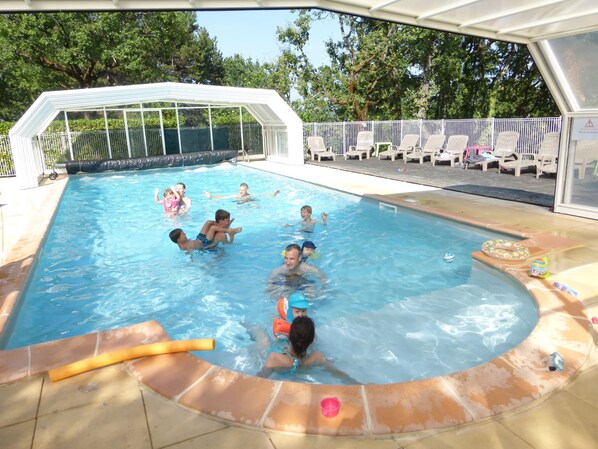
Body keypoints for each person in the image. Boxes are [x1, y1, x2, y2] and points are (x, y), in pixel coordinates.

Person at [250, 316, 358, 383]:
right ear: (311, 341)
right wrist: (355, 383)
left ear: (289, 337)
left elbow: (259, 378)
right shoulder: (317, 357)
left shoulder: (274, 358)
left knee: (259, 331)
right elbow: (337, 373)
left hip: (275, 352)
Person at [203, 182, 280, 202]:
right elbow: (224, 197)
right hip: (239, 203)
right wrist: (211, 196)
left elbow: (263, 195)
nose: (241, 191)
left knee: (254, 203)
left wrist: (273, 194)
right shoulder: (237, 196)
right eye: (240, 190)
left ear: (247, 189)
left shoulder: (250, 195)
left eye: (243, 190)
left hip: (248, 202)